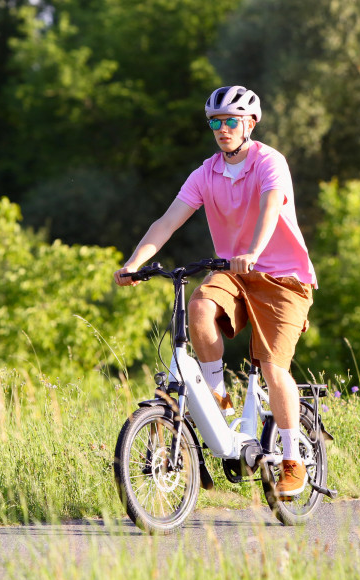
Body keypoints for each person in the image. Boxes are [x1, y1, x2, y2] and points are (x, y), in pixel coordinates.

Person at [114, 85, 317, 498]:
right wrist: (134, 263)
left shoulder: (269, 162)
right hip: (234, 273)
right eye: (215, 123)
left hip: (283, 278)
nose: (222, 129)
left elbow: (271, 206)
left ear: (250, 124)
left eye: (231, 121)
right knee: (200, 307)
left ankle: (294, 459)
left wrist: (253, 251)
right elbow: (167, 222)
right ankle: (219, 396)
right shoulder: (205, 173)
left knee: (274, 367)